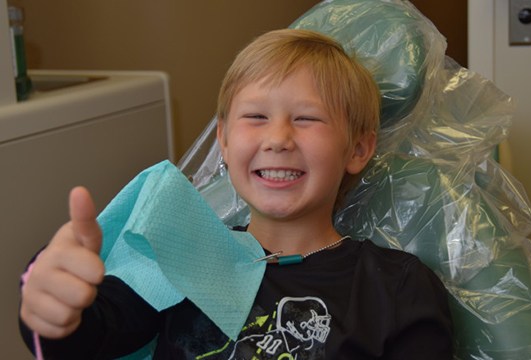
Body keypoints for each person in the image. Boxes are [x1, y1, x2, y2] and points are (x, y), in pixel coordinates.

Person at [19, 29, 453, 359]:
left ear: (357, 149)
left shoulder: (396, 288)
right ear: (224, 141)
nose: (278, 138)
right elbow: (90, 337)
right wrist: (55, 309)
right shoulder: (182, 254)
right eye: (256, 116)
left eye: (306, 118)